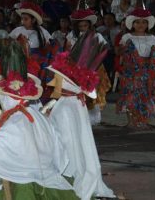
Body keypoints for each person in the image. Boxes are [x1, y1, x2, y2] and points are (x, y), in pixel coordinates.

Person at [0, 42, 77, 200]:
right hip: (42, 170)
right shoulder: (36, 118)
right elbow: (57, 146)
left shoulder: (14, 122)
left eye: (2, 96)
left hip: (23, 175)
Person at [45, 32, 115, 200]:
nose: (52, 82)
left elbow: (67, 144)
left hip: (68, 164)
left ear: (67, 82)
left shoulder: (66, 108)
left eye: (57, 78)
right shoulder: (73, 102)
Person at [116, 8, 155, 129]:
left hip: (147, 71)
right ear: (132, 24)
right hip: (131, 72)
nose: (141, 25)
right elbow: (119, 51)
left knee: (146, 95)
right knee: (130, 95)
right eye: (137, 22)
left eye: (143, 22)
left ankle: (144, 121)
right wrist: (125, 48)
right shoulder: (127, 36)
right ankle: (131, 121)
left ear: (147, 24)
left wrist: (154, 52)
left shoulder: (152, 38)